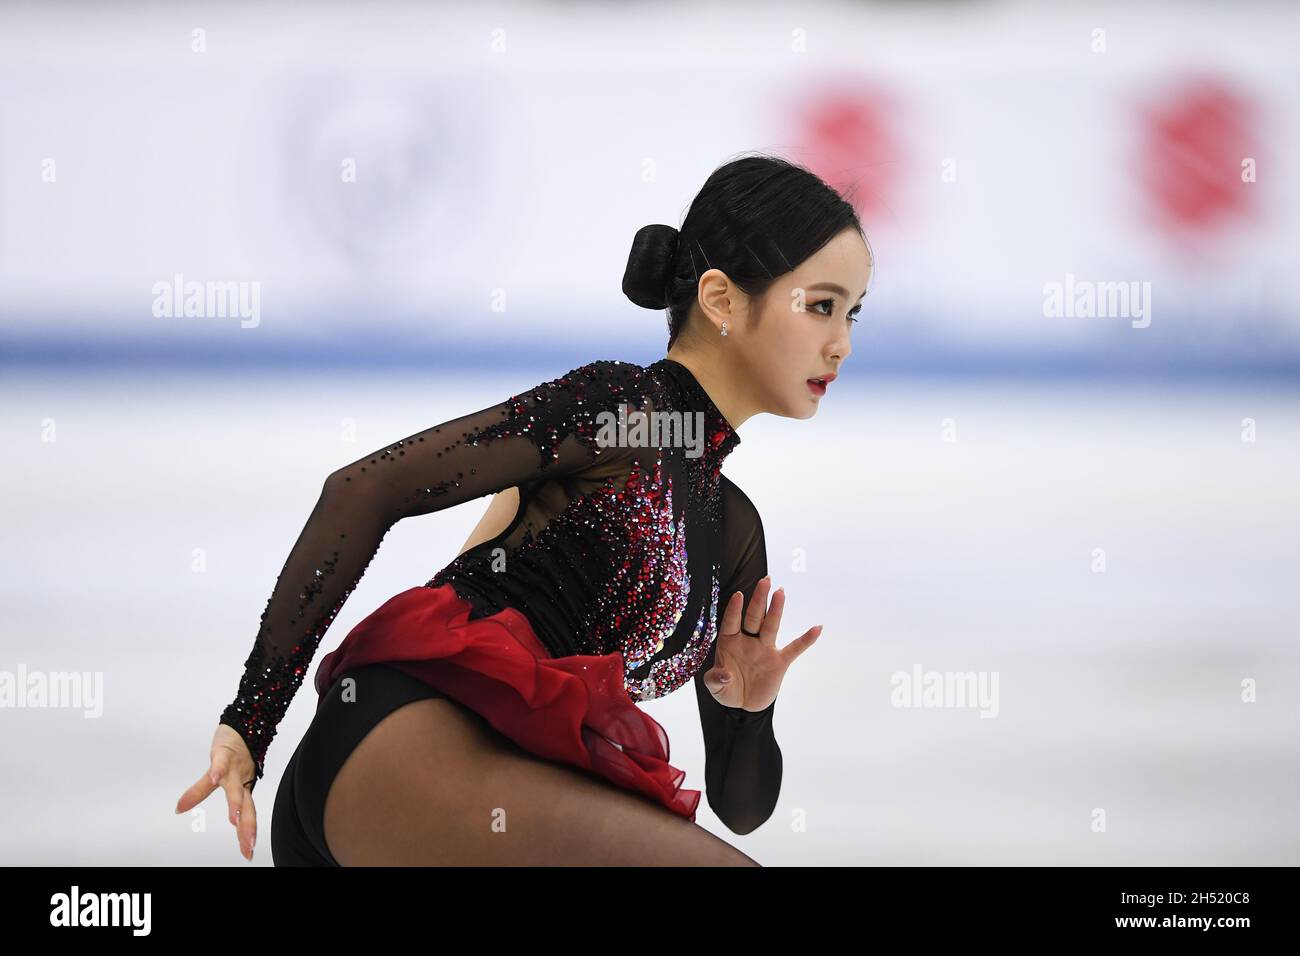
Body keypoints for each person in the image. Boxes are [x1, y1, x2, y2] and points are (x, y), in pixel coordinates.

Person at [174, 152, 873, 865]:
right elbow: (364, 488)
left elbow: (740, 808)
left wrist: (746, 711)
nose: (841, 342)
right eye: (820, 306)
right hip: (401, 751)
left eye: (852, 313)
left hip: (469, 796)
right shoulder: (625, 411)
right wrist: (249, 722)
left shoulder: (731, 527)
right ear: (721, 299)